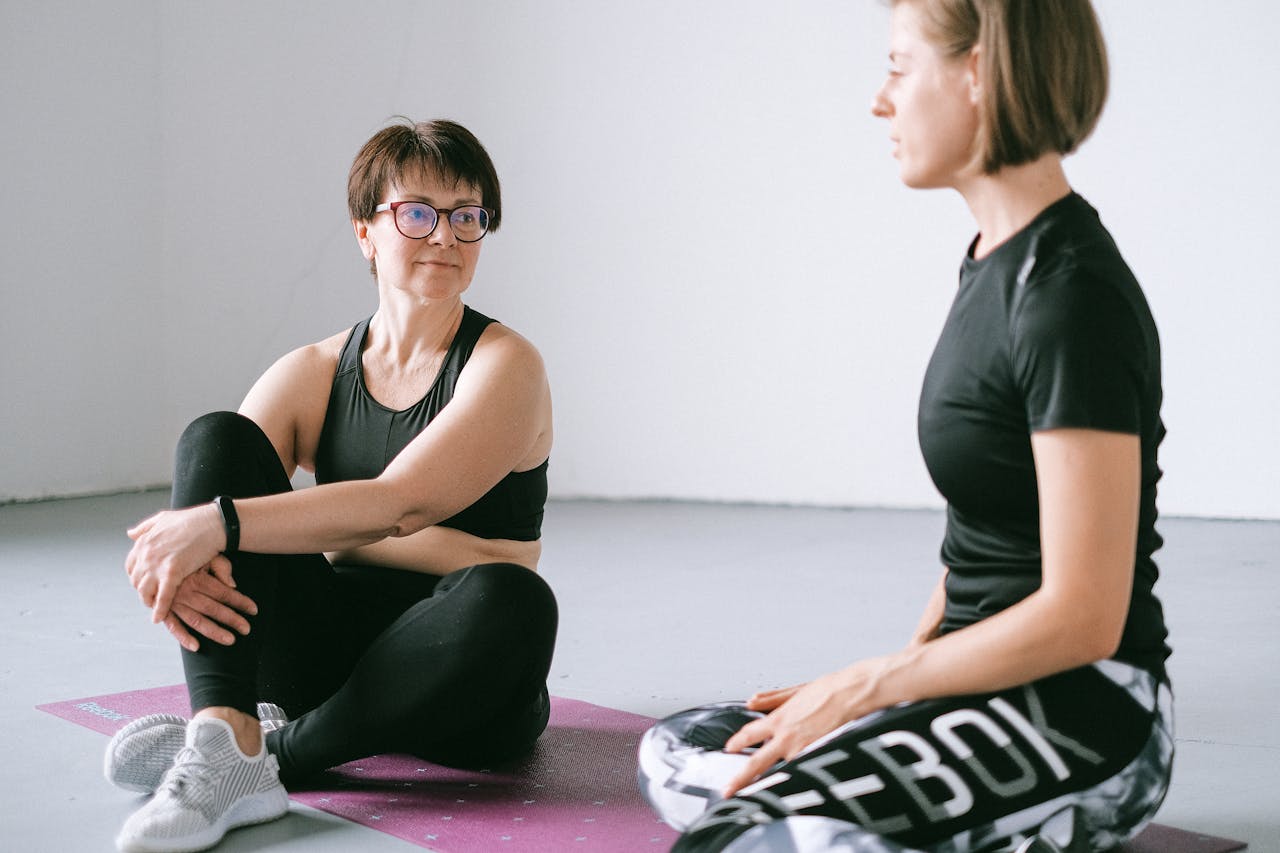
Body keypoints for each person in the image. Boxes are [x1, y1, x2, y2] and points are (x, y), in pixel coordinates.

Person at [638, 2, 1172, 851]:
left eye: (898, 64)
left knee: (739, 833)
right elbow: (986, 535)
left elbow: (1085, 615)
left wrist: (866, 687)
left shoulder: (1070, 296)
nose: (880, 101)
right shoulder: (992, 260)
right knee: (686, 748)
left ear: (979, 71)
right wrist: (885, 688)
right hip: (976, 681)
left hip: (1088, 705)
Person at [105, 118, 558, 853]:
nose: (445, 236)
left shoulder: (504, 365)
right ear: (365, 234)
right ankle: (224, 726)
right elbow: (224, 495)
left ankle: (274, 755)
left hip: (463, 677)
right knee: (214, 436)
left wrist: (222, 526)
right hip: (317, 657)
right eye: (417, 213)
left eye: (468, 217)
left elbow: (399, 503)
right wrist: (186, 549)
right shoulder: (314, 371)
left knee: (512, 596)